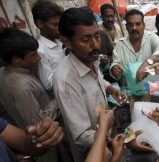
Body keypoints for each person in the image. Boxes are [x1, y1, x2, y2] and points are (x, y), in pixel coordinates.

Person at [54, 6, 149, 161]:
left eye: (97, 36)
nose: (95, 45)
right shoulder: (66, 82)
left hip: (105, 133)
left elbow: (98, 80)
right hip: (91, 152)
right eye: (85, 40)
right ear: (67, 42)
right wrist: (119, 140)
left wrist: (111, 89)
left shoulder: (90, 59)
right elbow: (81, 135)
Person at [0, 28, 72, 162]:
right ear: (16, 60)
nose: (39, 57)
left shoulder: (4, 73)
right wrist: (59, 99)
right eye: (33, 55)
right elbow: (39, 124)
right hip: (45, 148)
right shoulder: (23, 87)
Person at [110, 9, 159, 85]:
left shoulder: (151, 37)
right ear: (126, 27)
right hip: (129, 92)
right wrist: (115, 69)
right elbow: (115, 64)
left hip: (150, 91)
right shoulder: (120, 44)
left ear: (144, 25)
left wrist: (148, 62)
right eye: (130, 25)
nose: (134, 28)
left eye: (138, 24)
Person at [32, 0, 65, 98]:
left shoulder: (59, 42)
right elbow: (48, 85)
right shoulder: (41, 51)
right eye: (55, 25)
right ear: (40, 23)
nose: (59, 28)